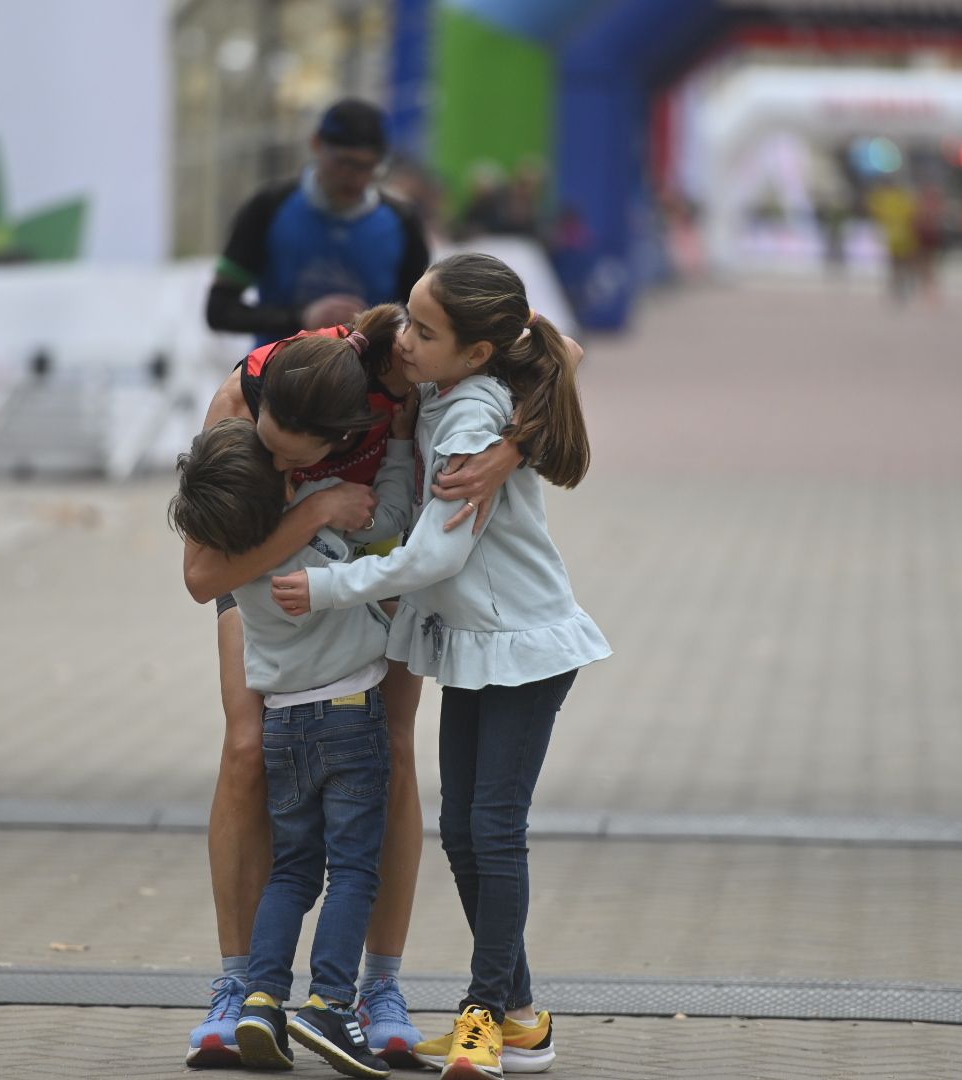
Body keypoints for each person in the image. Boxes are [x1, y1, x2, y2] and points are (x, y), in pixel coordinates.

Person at [271, 253, 611, 1079]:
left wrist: (328, 586)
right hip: (479, 645)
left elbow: (431, 557)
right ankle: (522, 1015)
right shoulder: (445, 390)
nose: (409, 343)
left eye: (426, 332)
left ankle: (483, 1015)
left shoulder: (469, 417)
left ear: (479, 353)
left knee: (492, 834)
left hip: (523, 646)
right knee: (464, 831)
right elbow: (557, 343)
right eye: (412, 321)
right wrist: (515, 439)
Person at [181, 306, 529, 1068]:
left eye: (288, 458)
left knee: (391, 753)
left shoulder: (409, 357)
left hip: (377, 576)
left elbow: (556, 354)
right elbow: (204, 575)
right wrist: (308, 512)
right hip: (267, 575)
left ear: (346, 437)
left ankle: (379, 988)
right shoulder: (238, 407)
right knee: (246, 751)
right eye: (267, 449)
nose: (274, 462)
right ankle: (240, 987)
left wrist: (511, 449)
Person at [169, 387, 415, 1077]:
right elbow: (389, 520)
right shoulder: (298, 496)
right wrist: (382, 460)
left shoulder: (246, 545)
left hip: (288, 719)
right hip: (347, 714)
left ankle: (267, 996)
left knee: (296, 870)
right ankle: (328, 1002)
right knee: (352, 869)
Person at [206, 98, 430, 346]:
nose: (354, 178)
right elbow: (219, 310)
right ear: (316, 145)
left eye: (368, 166)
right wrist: (302, 317)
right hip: (276, 375)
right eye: (344, 163)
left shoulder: (403, 222)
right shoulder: (269, 207)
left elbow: (421, 320)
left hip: (368, 380)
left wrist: (373, 326)